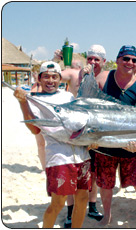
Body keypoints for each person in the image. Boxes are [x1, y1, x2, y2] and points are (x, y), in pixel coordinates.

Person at [13, 61, 92, 228]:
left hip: (82, 155)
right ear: (39, 79)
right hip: (58, 157)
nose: (50, 80)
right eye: (46, 77)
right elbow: (35, 130)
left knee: (83, 199)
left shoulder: (69, 96)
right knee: (58, 203)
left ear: (60, 79)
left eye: (54, 77)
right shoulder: (33, 100)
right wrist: (22, 103)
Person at [91, 45, 136, 227]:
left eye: (134, 60)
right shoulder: (103, 79)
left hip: (130, 145)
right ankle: (107, 215)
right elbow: (92, 109)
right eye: (126, 58)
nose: (129, 63)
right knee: (106, 185)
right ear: (117, 60)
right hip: (105, 145)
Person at [54, 45, 107, 227]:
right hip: (75, 130)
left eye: (96, 59)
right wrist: (56, 60)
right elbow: (51, 76)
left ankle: (92, 206)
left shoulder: (106, 77)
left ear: (103, 62)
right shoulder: (73, 74)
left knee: (93, 173)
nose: (92, 62)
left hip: (95, 133)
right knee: (72, 171)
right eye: (90, 58)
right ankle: (70, 211)